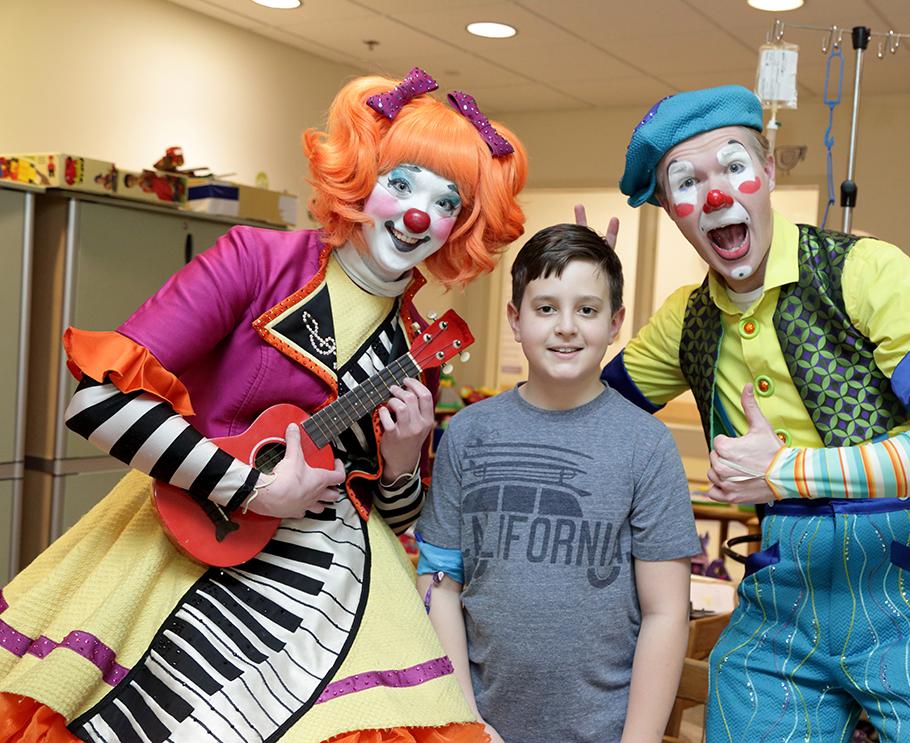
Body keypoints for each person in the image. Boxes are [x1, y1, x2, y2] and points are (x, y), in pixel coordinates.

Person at [0, 68, 527, 742]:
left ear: (461, 223)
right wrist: (251, 486)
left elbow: (392, 515)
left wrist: (400, 461)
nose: (418, 214)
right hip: (184, 548)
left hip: (329, 600)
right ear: (362, 174)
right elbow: (99, 400)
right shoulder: (256, 259)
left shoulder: (414, 346)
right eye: (400, 182)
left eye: (445, 200)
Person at [600, 85, 910, 742]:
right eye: (687, 182)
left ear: (767, 173)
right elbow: (583, 414)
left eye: (733, 167)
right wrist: (583, 301)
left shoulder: (867, 271)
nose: (715, 196)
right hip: (782, 600)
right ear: (671, 212)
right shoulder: (686, 320)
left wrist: (790, 471)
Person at [414, 224, 701, 743]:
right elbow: (440, 584)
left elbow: (666, 612)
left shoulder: (647, 444)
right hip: (481, 728)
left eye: (587, 310)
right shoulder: (467, 433)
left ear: (615, 324)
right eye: (546, 308)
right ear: (515, 319)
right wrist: (465, 722)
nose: (566, 327)